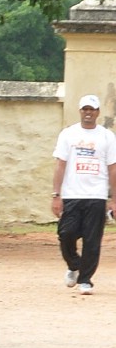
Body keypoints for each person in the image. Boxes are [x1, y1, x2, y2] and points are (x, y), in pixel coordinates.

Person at [52, 94, 116, 295]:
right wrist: (56, 195)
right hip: (72, 194)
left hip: (96, 195)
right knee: (66, 233)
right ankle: (74, 265)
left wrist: (113, 198)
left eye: (92, 109)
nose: (88, 112)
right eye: (85, 109)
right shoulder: (68, 134)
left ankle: (85, 279)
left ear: (97, 112)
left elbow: (113, 168)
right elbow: (60, 165)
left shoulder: (107, 137)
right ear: (80, 111)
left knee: (92, 240)